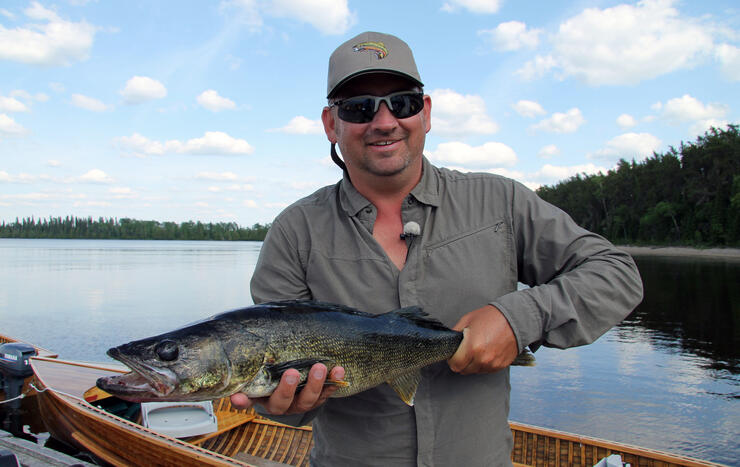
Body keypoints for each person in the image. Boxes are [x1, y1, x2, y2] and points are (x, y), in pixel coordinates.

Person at [230, 31, 643, 466]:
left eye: (403, 103)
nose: (384, 121)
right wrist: (283, 403)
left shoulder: (500, 202)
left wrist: (519, 318)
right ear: (331, 124)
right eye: (358, 108)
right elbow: (285, 404)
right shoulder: (293, 233)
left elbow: (615, 273)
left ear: (425, 114)